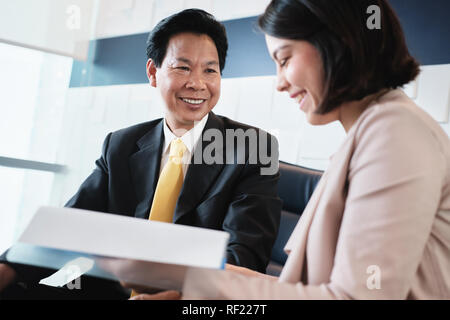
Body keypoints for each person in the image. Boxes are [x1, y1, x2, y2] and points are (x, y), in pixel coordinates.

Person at [130, 0, 450, 300]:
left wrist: (201, 285)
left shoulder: (394, 133)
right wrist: (192, 284)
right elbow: (304, 289)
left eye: (284, 60)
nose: (280, 83)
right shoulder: (370, 134)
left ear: (338, 41)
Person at [0, 9, 282, 299]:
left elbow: (244, 257)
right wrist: (9, 265)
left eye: (210, 70)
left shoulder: (251, 148)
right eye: (183, 68)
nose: (197, 83)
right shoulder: (122, 144)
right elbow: (71, 223)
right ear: (152, 72)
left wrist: (173, 296)